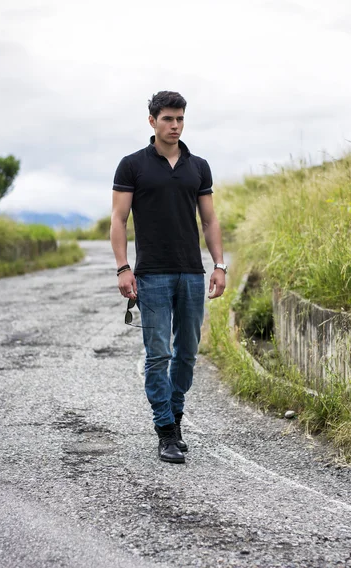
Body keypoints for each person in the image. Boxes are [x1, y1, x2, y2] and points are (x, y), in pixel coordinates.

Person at [110, 91, 227, 464]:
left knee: (187, 354)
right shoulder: (132, 165)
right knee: (158, 354)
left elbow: (209, 220)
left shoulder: (198, 166)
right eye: (167, 119)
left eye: (179, 119)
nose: (174, 126)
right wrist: (122, 267)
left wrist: (219, 265)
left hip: (192, 273)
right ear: (152, 121)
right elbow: (118, 220)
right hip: (152, 275)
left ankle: (174, 417)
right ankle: (166, 430)